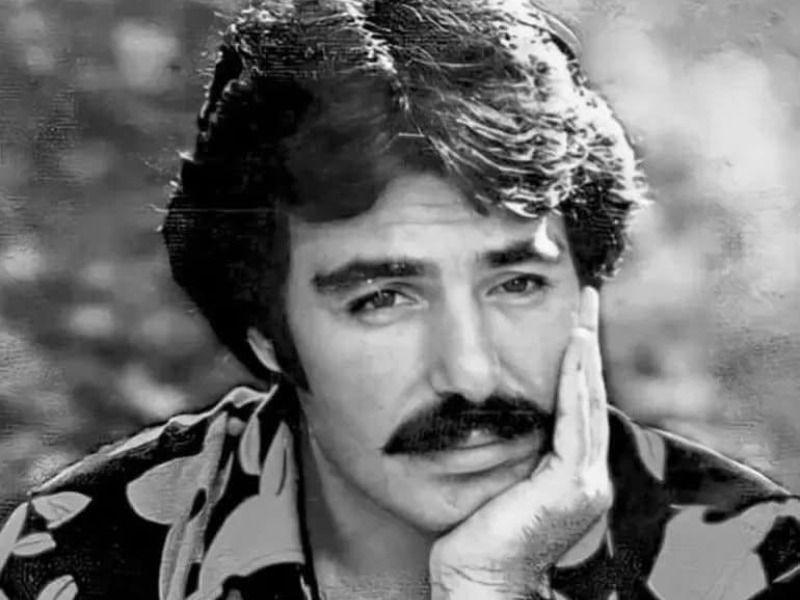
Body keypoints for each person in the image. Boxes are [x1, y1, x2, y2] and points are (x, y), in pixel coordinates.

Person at [1, 1, 799, 598]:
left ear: (585, 294)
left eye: (517, 284)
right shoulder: (84, 551)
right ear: (268, 336)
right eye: (383, 299)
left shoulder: (751, 564)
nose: (471, 373)